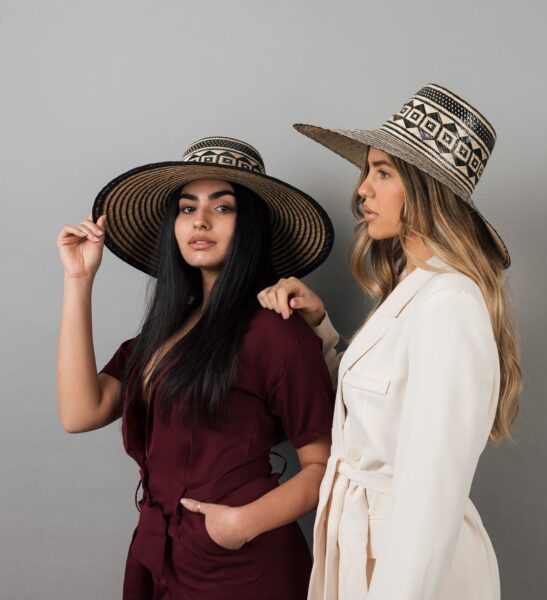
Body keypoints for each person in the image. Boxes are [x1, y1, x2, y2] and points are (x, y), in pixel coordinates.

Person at [258, 84, 522, 599]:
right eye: (367, 173)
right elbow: (375, 415)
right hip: (364, 551)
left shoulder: (448, 304)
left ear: (426, 190)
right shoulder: (414, 288)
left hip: (404, 565)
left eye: (383, 173)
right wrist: (323, 329)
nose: (362, 190)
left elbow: (430, 499)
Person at [56, 136, 336, 599]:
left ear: (250, 226)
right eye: (187, 208)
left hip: (244, 565)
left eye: (223, 208)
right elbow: (80, 413)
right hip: (158, 553)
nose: (200, 221)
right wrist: (78, 280)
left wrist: (242, 523)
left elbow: (323, 467)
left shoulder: (278, 333)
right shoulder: (162, 335)